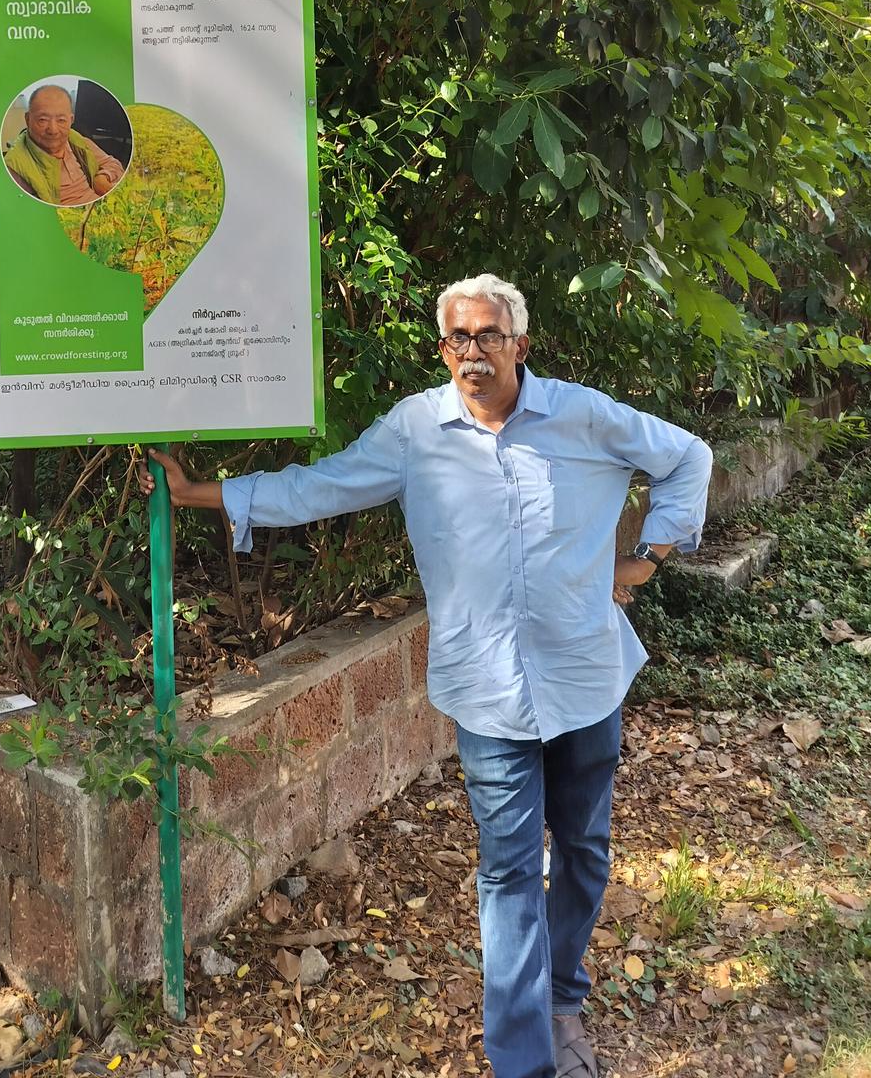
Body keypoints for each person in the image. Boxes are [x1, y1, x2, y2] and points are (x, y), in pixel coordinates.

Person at [144, 273, 713, 1078]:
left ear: (520, 342)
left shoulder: (584, 416)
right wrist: (203, 492)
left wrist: (651, 556)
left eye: (487, 335)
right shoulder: (418, 429)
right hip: (487, 690)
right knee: (509, 869)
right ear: (442, 348)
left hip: (586, 675)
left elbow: (689, 456)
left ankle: (562, 998)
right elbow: (323, 485)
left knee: (584, 851)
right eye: (457, 338)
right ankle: (523, 1057)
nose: (471, 352)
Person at [4, 84, 125, 205]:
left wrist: (102, 178)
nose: (53, 130)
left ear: (71, 120)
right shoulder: (15, 166)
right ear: (28, 119)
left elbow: (113, 163)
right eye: (43, 120)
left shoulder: (74, 139)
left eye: (61, 120)